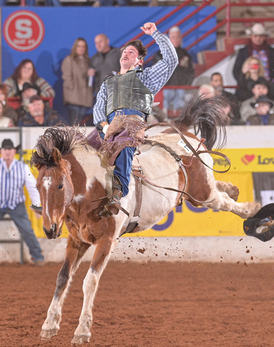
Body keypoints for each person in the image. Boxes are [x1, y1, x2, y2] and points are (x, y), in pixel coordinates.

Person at [93, 22, 177, 216]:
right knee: (78, 148)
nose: (125, 54)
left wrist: (155, 33)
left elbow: (171, 61)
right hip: (108, 126)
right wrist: (106, 128)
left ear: (139, 61)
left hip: (133, 123)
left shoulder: (146, 77)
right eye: (124, 51)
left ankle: (118, 191)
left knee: (125, 142)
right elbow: (98, 109)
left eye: (131, 53)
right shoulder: (108, 83)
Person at [0, 138, 44, 268]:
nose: (7, 152)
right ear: (1, 151)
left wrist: (37, 206)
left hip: (17, 204)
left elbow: (32, 187)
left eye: (10, 149)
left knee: (27, 230)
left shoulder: (22, 167)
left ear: (14, 151)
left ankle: (38, 257)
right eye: (5, 149)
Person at [153, 26, 195, 118]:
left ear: (181, 38)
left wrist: (187, 85)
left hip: (181, 88)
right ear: (169, 38)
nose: (175, 39)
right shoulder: (161, 54)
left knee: (180, 110)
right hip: (165, 89)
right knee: (164, 111)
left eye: (177, 37)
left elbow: (191, 72)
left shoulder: (186, 54)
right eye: (173, 37)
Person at [62, 38, 93, 125]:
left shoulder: (88, 61)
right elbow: (67, 78)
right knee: (74, 126)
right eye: (79, 46)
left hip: (85, 98)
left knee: (83, 126)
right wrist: (71, 91)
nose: (81, 48)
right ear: (75, 47)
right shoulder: (69, 60)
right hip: (73, 98)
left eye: (83, 46)